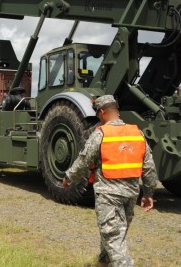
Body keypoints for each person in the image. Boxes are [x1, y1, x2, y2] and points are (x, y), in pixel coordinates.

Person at [62, 95, 157, 267]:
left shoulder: (101, 133)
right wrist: (148, 194)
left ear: (103, 112)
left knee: (113, 238)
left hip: (108, 195)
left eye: (98, 113)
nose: (98, 117)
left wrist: (69, 176)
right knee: (114, 235)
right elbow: (149, 168)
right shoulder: (137, 133)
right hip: (130, 195)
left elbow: (85, 159)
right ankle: (103, 263)